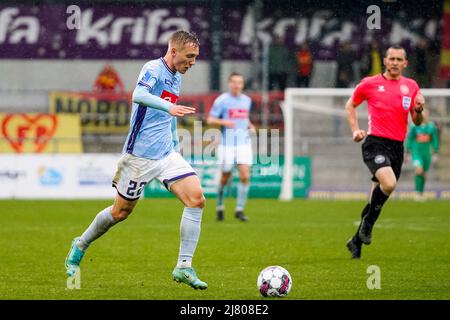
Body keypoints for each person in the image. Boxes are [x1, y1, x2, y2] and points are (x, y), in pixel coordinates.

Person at [65, 30, 208, 290]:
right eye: (190, 56)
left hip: (166, 154)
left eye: (196, 57)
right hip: (139, 157)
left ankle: (183, 267)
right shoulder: (153, 68)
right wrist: (169, 108)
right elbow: (138, 96)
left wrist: (174, 142)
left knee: (196, 199)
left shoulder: (176, 77)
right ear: (173, 51)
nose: (193, 62)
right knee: (120, 212)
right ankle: (80, 244)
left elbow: (168, 115)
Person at [345, 45, 425, 259]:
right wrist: (355, 130)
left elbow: (417, 122)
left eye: (400, 59)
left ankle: (355, 242)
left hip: (397, 147)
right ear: (385, 61)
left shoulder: (411, 86)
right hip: (375, 143)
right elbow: (350, 105)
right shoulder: (370, 83)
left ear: (405, 63)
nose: (395, 62)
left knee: (375, 201)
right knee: (389, 184)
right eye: (392, 59)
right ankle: (368, 225)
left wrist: (418, 110)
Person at [206, 72, 255, 222]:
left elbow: (244, 117)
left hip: (244, 143)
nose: (236, 85)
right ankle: (220, 207)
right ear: (229, 84)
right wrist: (225, 122)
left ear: (242, 84)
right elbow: (210, 120)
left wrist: (250, 125)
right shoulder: (222, 100)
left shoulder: (247, 100)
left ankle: (239, 209)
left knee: (245, 176)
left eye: (239, 82)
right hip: (227, 144)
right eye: (234, 82)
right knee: (225, 178)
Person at [405, 110, 439, 201]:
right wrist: (408, 151)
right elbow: (410, 139)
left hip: (426, 154)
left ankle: (421, 192)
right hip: (417, 153)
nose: (423, 116)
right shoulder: (414, 127)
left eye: (425, 114)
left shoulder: (431, 127)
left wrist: (435, 152)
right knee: (419, 171)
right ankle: (417, 192)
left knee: (423, 173)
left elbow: (435, 140)